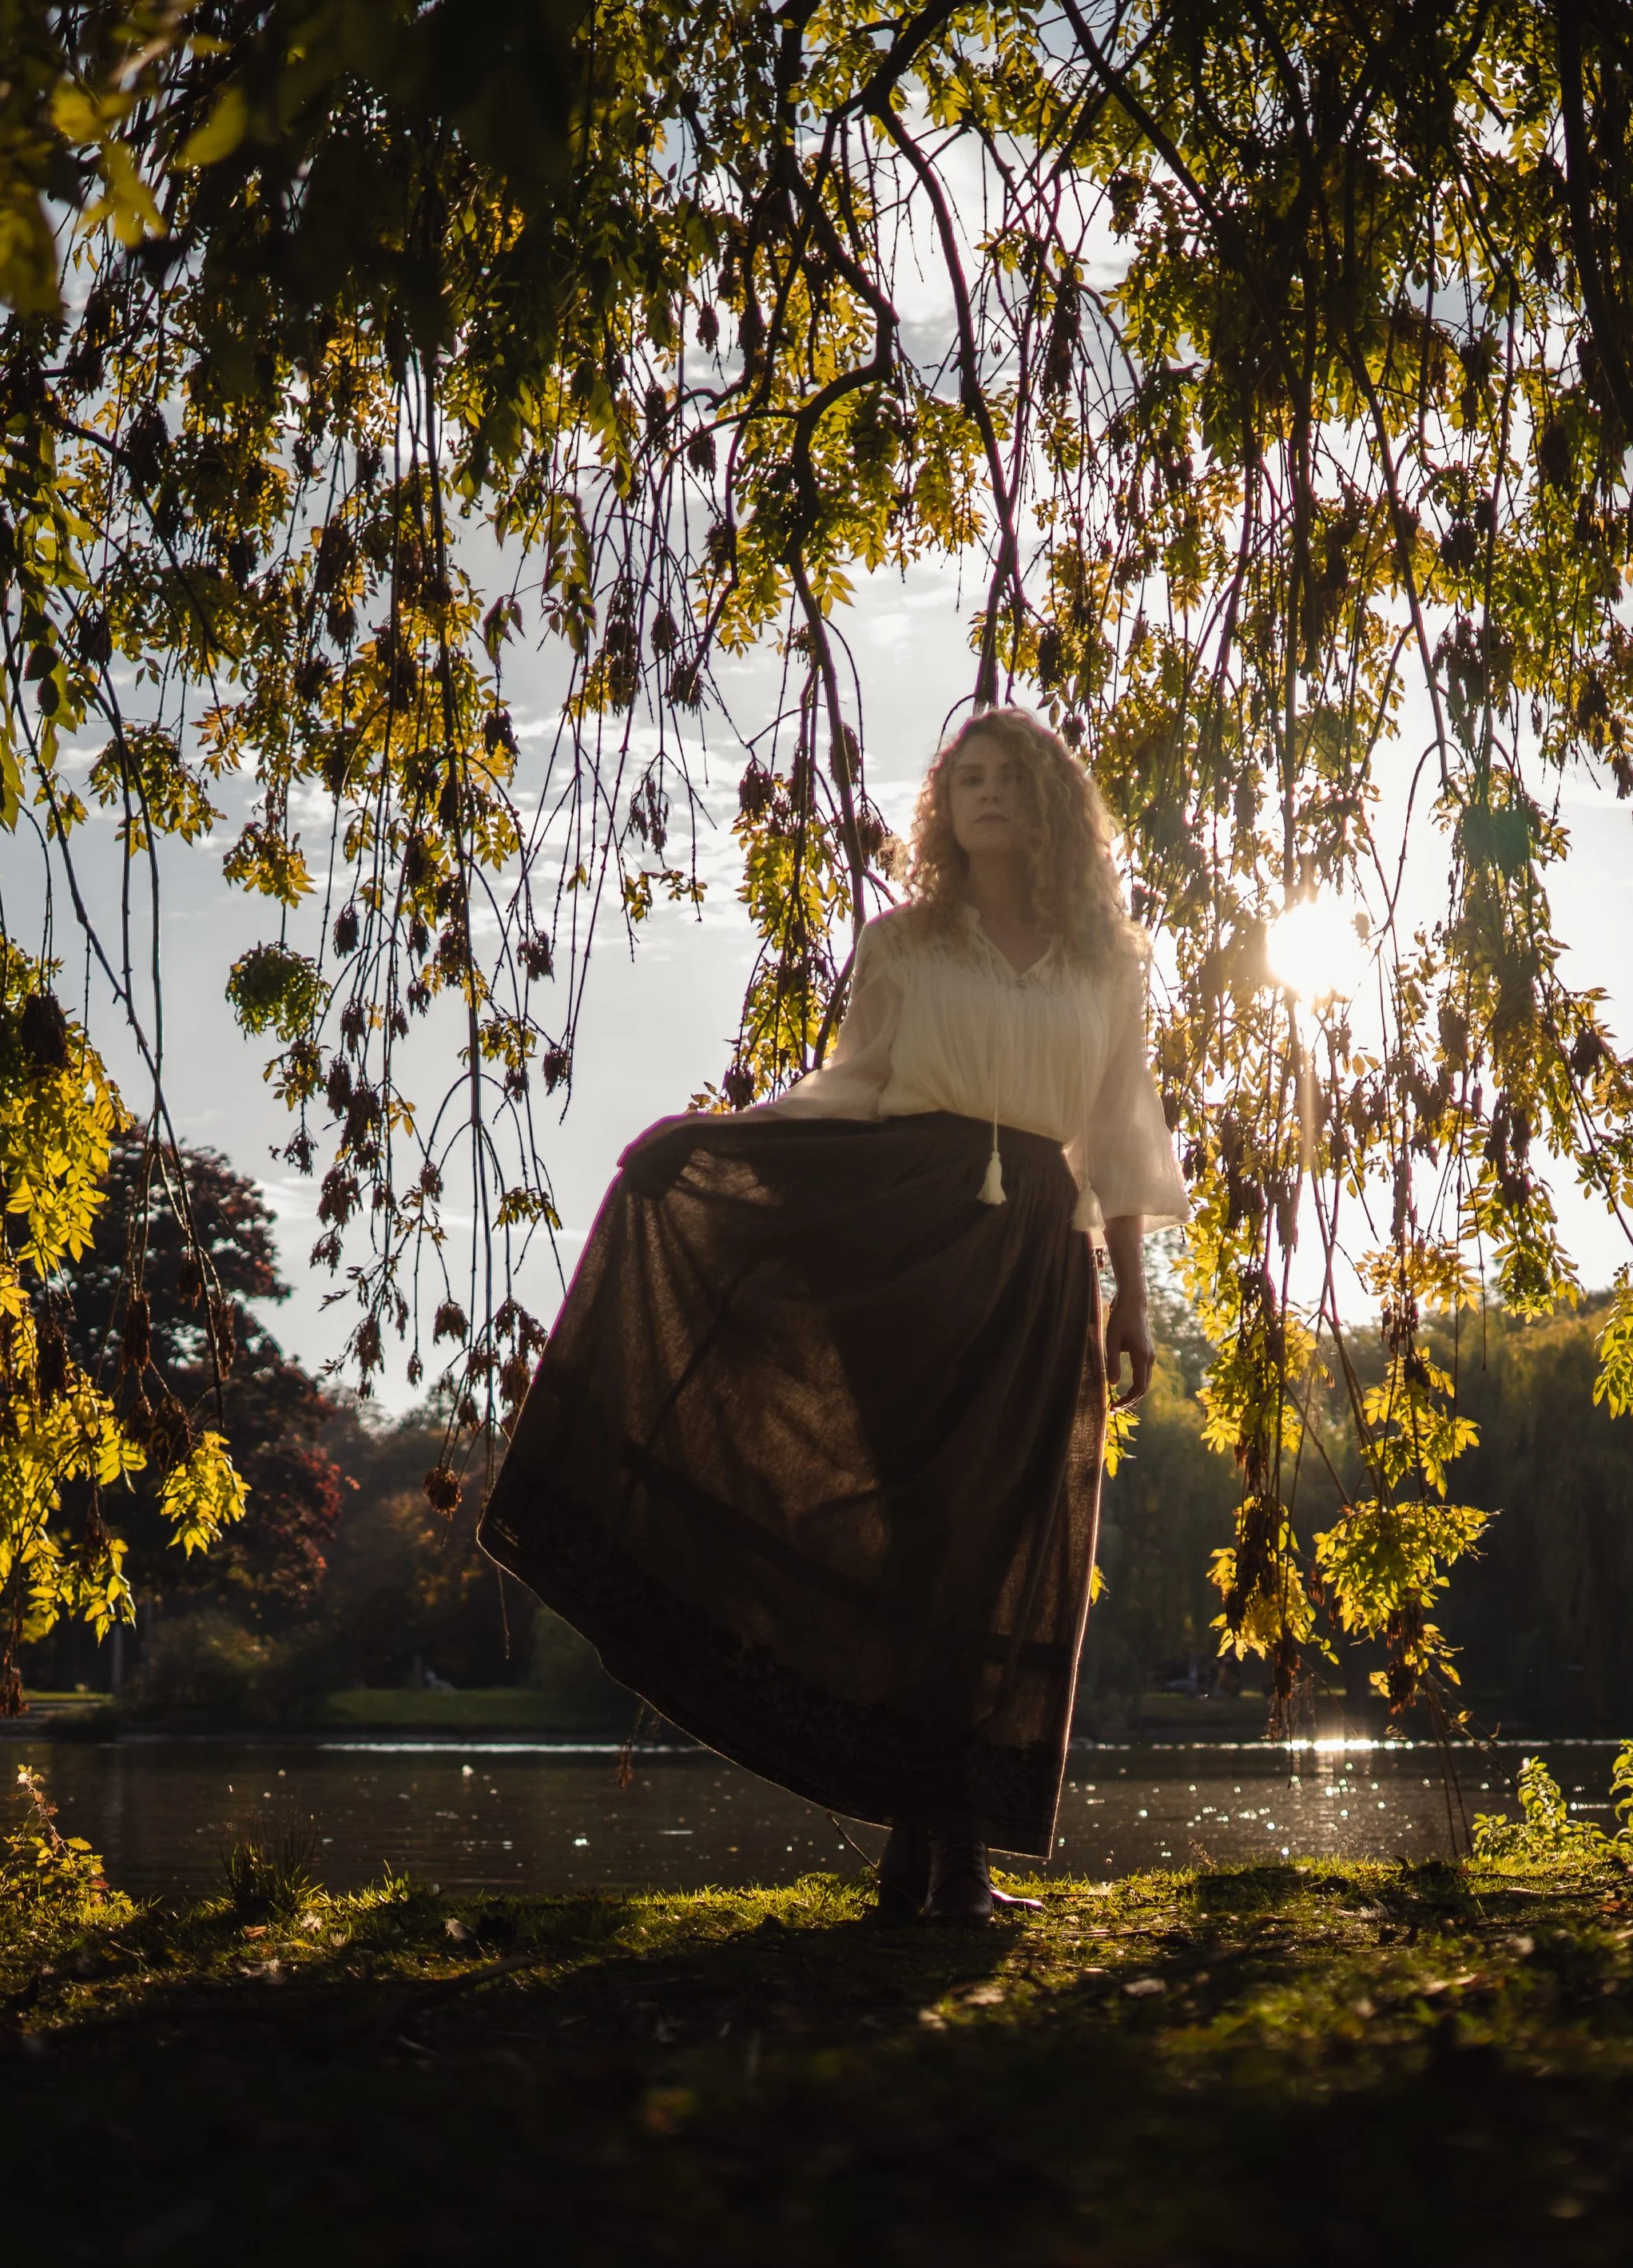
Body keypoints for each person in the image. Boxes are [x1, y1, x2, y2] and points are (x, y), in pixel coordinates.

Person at [479, 707, 1189, 1922]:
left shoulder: (1106, 962)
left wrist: (1129, 1299)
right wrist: (717, 1141)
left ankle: (926, 1855)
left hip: (1036, 1254)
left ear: (1050, 805)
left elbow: (1119, 1133)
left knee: (995, 1534)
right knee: (928, 1529)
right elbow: (852, 1090)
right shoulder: (903, 945)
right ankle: (950, 1862)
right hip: (906, 1230)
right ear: (943, 806)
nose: (983, 794)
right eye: (965, 778)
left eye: (1007, 778)